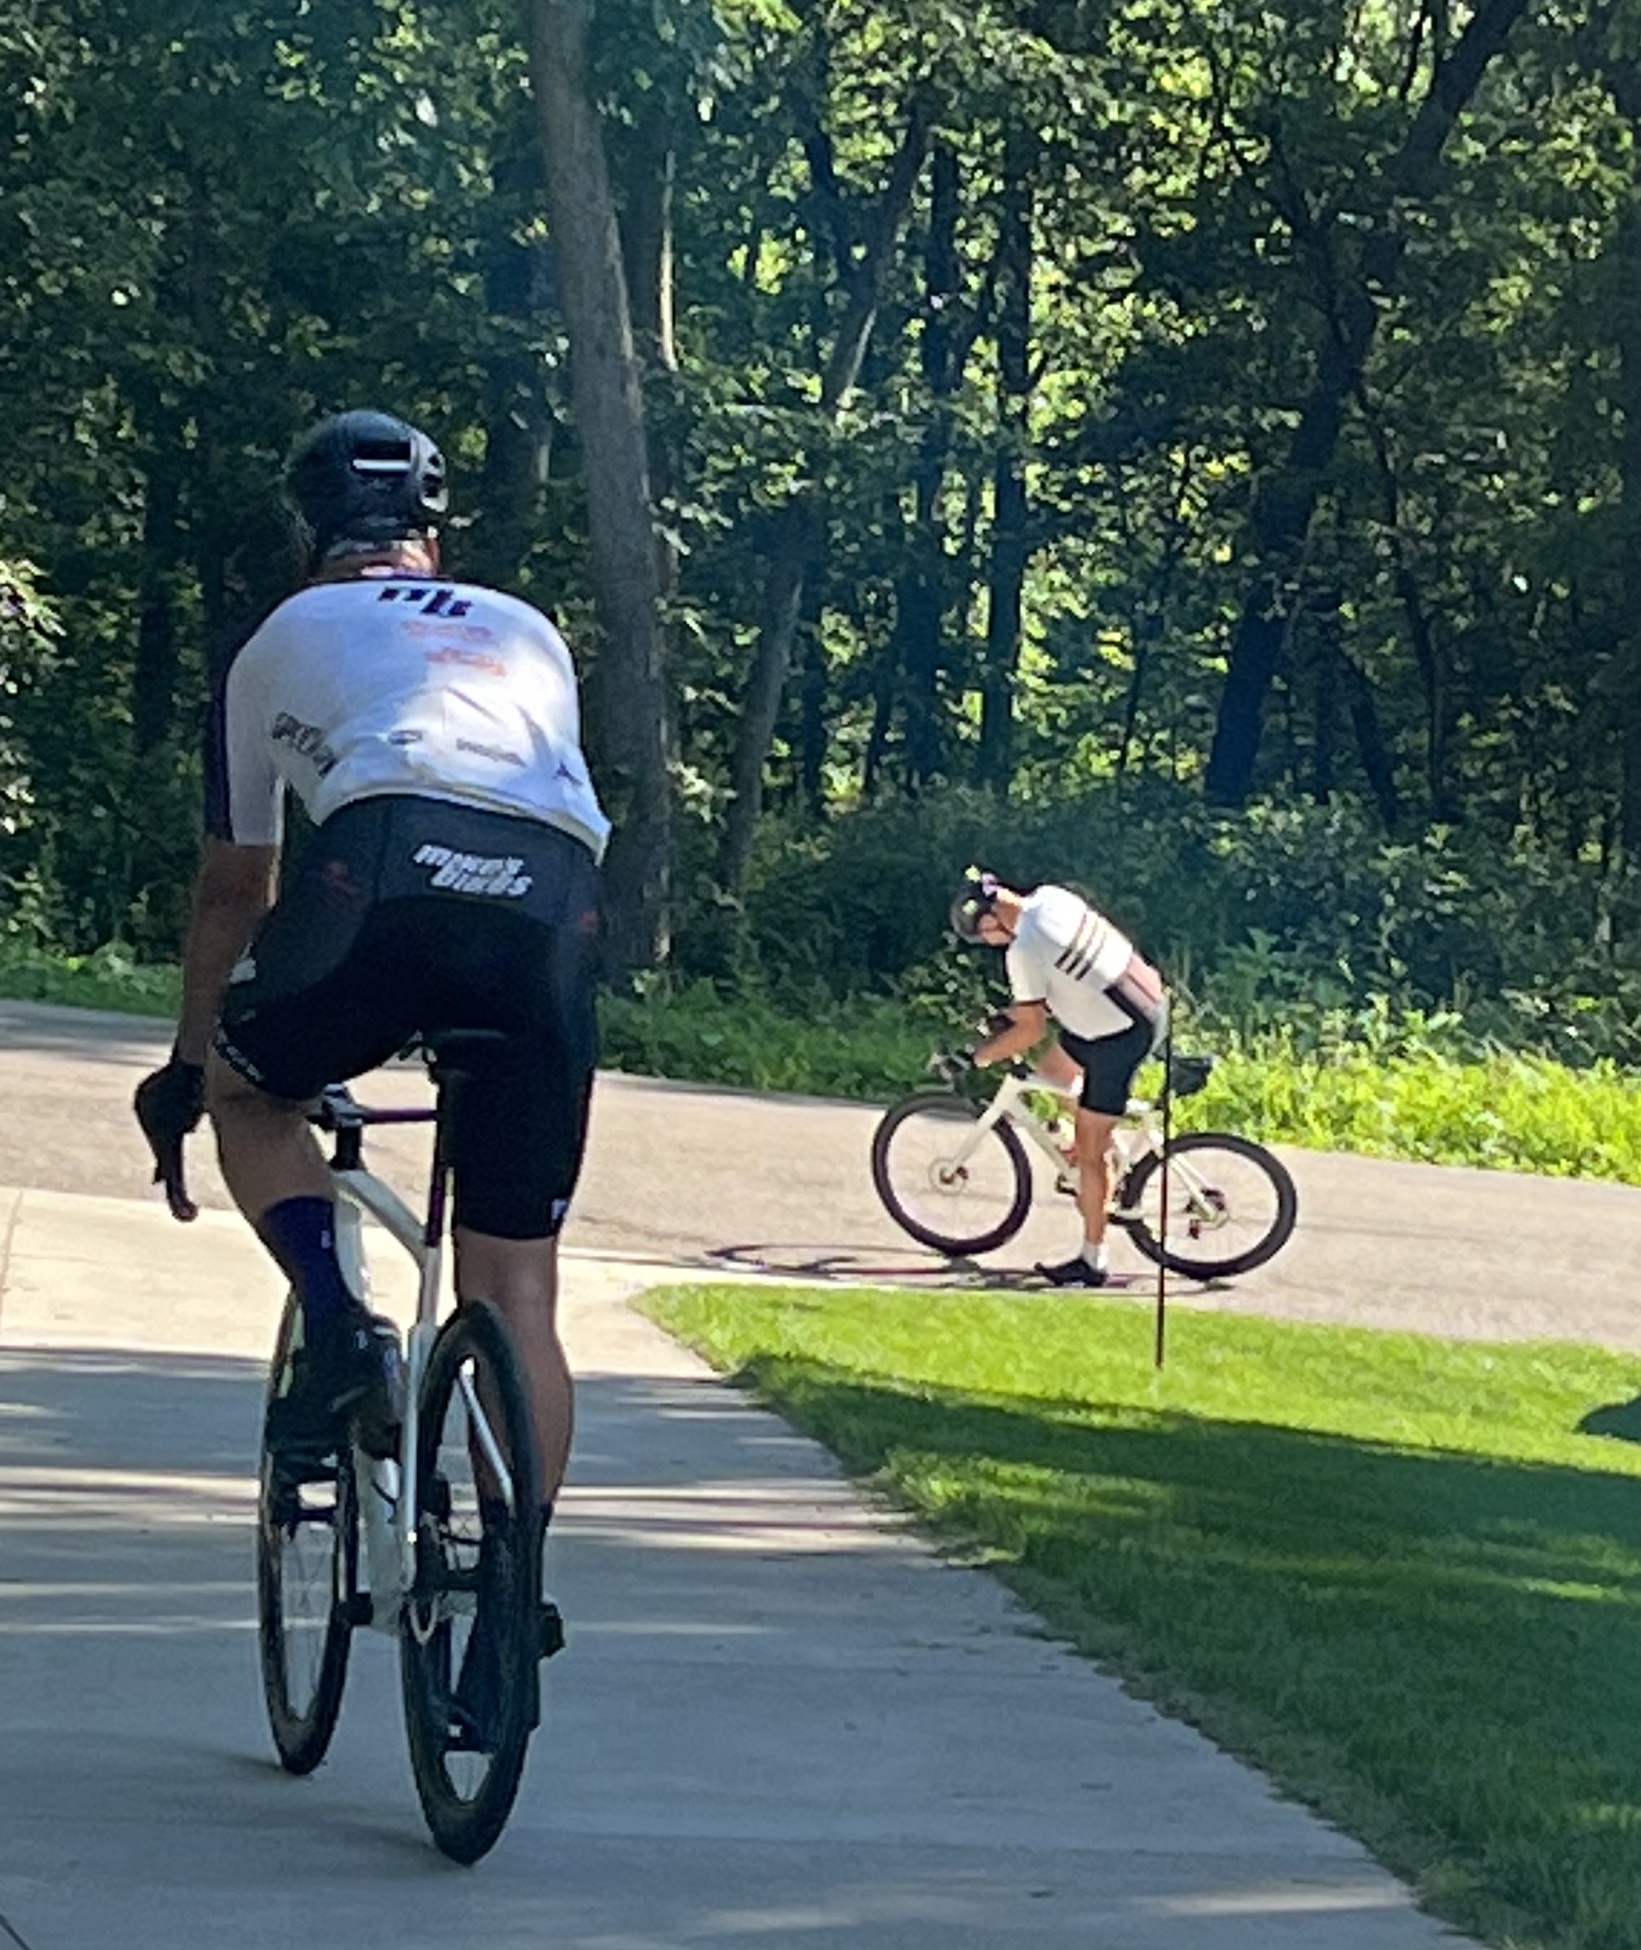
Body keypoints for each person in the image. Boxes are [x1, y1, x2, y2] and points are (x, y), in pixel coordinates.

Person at [133, 409, 607, 1530]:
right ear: (434, 533)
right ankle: (510, 1592)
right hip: (555, 899)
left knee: (250, 1093)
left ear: (308, 529)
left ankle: (341, 1326)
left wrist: (190, 1066)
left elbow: (236, 886)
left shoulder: (276, 639)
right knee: (519, 1290)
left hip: (386, 857)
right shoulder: (527, 629)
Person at [950, 868, 1167, 1287]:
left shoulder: (1023, 951)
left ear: (992, 920)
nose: (990, 945)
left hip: (1119, 1036)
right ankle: (1103, 1155)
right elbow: (1068, 978)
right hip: (1137, 999)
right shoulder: (1051, 898)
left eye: (985, 937)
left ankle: (1092, 1260)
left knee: (1090, 1152)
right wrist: (1010, 1017)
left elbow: (1030, 1031)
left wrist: (977, 1058)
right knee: (1052, 1072)